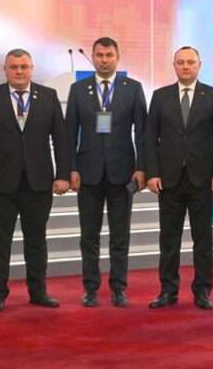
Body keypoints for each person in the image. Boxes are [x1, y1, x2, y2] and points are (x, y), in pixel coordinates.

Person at [0, 49, 70, 312]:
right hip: (0, 183)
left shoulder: (48, 96)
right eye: (13, 67)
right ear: (5, 70)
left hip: (38, 183)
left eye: (24, 66)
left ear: (32, 68)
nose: (19, 71)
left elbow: (61, 139)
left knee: (36, 241)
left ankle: (38, 292)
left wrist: (63, 175)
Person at [66, 37, 147, 308]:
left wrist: (141, 168)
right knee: (89, 236)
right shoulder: (78, 90)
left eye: (109, 55)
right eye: (99, 55)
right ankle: (90, 288)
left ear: (117, 57)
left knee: (119, 236)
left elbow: (142, 133)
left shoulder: (133, 89)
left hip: (122, 173)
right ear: (93, 57)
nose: (104, 60)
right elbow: (69, 134)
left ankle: (118, 288)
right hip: (87, 173)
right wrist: (71, 169)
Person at [145, 46, 213, 310]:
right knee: (169, 239)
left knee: (203, 239)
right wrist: (152, 173)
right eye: (180, 62)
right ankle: (167, 290)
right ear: (174, 66)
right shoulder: (160, 96)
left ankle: (202, 291)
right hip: (169, 180)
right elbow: (149, 138)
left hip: (203, 180)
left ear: (199, 65)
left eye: (190, 62)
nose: (186, 66)